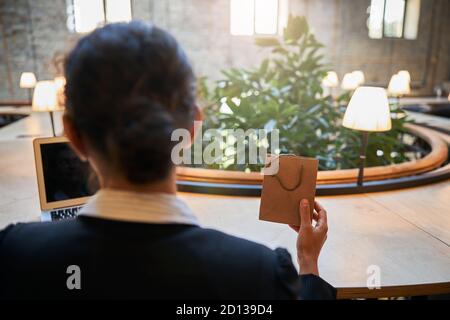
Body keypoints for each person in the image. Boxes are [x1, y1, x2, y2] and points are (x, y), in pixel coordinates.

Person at [0, 22, 335, 300]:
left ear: (73, 136)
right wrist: (307, 263)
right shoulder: (257, 274)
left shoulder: (16, 255)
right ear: (192, 128)